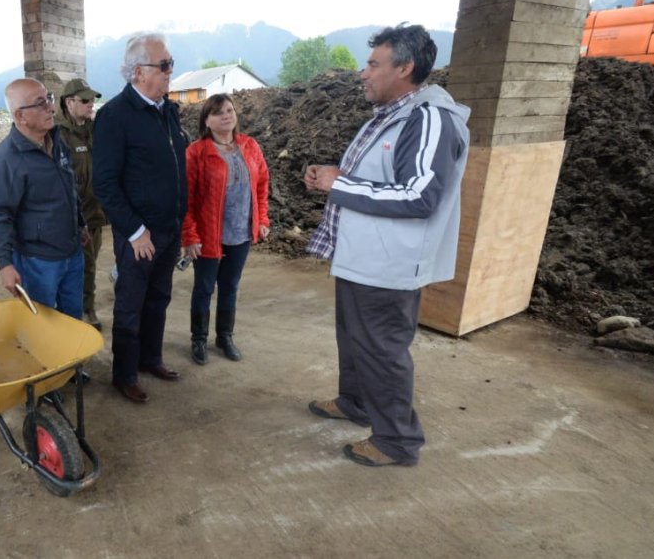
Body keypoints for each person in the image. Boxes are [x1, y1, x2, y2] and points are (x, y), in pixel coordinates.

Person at [303, 24, 470, 467]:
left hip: (388, 263)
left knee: (380, 348)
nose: (364, 73)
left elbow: (420, 195)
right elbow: (378, 180)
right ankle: (356, 402)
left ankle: (397, 440)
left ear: (406, 67)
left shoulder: (430, 119)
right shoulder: (395, 114)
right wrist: (335, 178)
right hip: (361, 256)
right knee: (354, 338)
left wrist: (342, 184)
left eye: (374, 64)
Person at [93, 32, 187, 404]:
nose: (169, 72)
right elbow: (105, 184)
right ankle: (125, 373)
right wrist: (134, 231)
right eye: (163, 66)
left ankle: (151, 359)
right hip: (140, 234)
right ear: (136, 72)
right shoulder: (115, 117)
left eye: (170, 64)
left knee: (159, 298)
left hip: (169, 228)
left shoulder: (167, 111)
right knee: (131, 303)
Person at [0, 78, 87, 318]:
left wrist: (80, 223)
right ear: (20, 116)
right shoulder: (6, 160)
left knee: (72, 317)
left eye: (48, 98)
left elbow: (69, 186)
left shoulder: (56, 141)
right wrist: (5, 263)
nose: (51, 108)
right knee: (41, 323)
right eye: (40, 103)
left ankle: (72, 355)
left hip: (71, 252)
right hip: (37, 261)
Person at [181, 94, 270, 365]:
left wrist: (262, 220)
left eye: (230, 110)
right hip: (209, 235)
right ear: (206, 120)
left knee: (230, 286)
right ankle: (199, 338)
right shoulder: (196, 152)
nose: (226, 116)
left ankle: (225, 336)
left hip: (240, 233)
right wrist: (190, 236)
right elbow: (186, 199)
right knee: (204, 288)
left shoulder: (249, 146)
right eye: (218, 112)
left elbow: (262, 185)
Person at [56, 78, 105, 330]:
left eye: (92, 100)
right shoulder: (57, 135)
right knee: (76, 267)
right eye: (85, 101)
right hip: (73, 217)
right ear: (69, 103)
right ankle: (78, 311)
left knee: (90, 264)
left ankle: (85, 308)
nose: (90, 105)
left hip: (95, 214)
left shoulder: (96, 130)